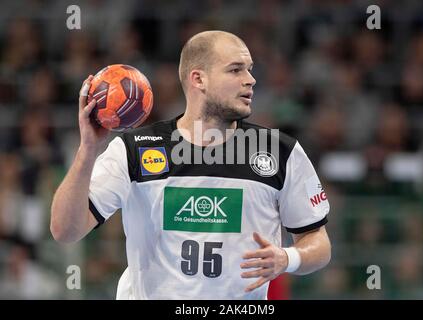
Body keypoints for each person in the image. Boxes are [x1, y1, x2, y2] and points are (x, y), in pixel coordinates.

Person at [50, 30, 331, 299]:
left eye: (250, 69)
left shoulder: (280, 151)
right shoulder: (134, 148)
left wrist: (288, 257)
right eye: (236, 70)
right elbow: (65, 230)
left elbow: (318, 242)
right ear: (198, 79)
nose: (251, 80)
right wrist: (88, 148)